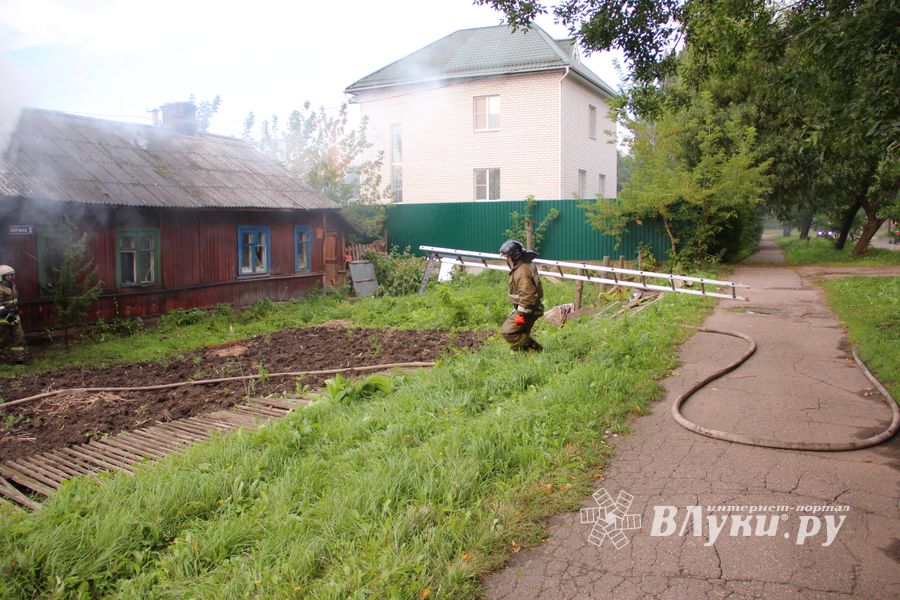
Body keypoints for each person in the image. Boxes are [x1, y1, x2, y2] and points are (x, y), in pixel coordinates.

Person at [498, 239, 544, 352]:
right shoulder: (522, 265)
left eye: (508, 256)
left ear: (514, 256)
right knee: (521, 333)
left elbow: (528, 296)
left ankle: (536, 349)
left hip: (528, 309)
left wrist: (520, 314)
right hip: (530, 307)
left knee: (508, 331)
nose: (506, 259)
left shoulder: (522, 271)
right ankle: (528, 355)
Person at [0, 265, 26, 363]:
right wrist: (5, 311)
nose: (10, 277)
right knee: (3, 340)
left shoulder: (13, 286)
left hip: (13, 316)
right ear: (2, 276)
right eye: (8, 275)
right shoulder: (0, 288)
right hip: (3, 318)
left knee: (19, 336)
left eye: (11, 275)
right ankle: (2, 358)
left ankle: (19, 359)